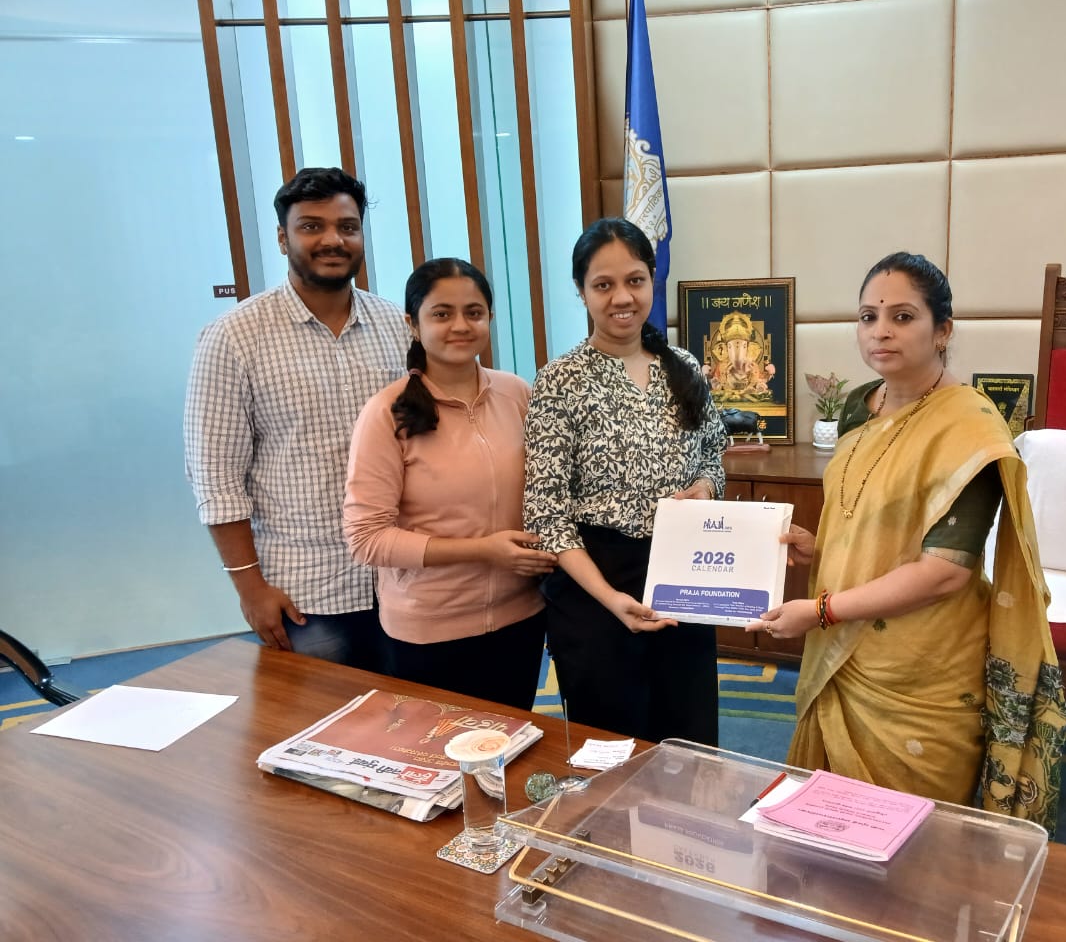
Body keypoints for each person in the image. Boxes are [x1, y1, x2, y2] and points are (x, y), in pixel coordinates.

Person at [745, 251, 1066, 831]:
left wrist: (821, 611)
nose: (880, 331)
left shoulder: (969, 426)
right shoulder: (857, 406)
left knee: (912, 838)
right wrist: (822, 548)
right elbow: (866, 519)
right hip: (850, 642)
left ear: (943, 330)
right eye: (868, 317)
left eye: (902, 316)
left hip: (923, 662)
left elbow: (945, 571)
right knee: (826, 830)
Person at [184, 167, 409, 671]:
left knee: (413, 716)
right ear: (283, 238)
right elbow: (215, 477)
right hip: (307, 592)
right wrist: (250, 588)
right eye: (311, 226)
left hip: (403, 579)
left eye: (347, 227)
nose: (332, 239)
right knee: (327, 720)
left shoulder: (398, 326)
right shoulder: (234, 337)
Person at [523, 217, 728, 744]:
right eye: (603, 284)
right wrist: (610, 598)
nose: (622, 297)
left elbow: (713, 456)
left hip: (683, 572)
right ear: (581, 291)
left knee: (688, 735)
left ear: (652, 280)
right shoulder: (560, 379)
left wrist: (704, 488)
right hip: (595, 582)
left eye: (635, 280)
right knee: (612, 744)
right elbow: (546, 511)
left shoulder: (684, 366)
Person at [343, 259, 555, 709]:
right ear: (413, 324)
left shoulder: (517, 393)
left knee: (509, 744)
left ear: (489, 318)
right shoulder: (387, 413)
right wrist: (483, 550)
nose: (460, 325)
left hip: (521, 619)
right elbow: (367, 539)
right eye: (441, 314)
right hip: (428, 632)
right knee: (438, 749)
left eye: (473, 313)